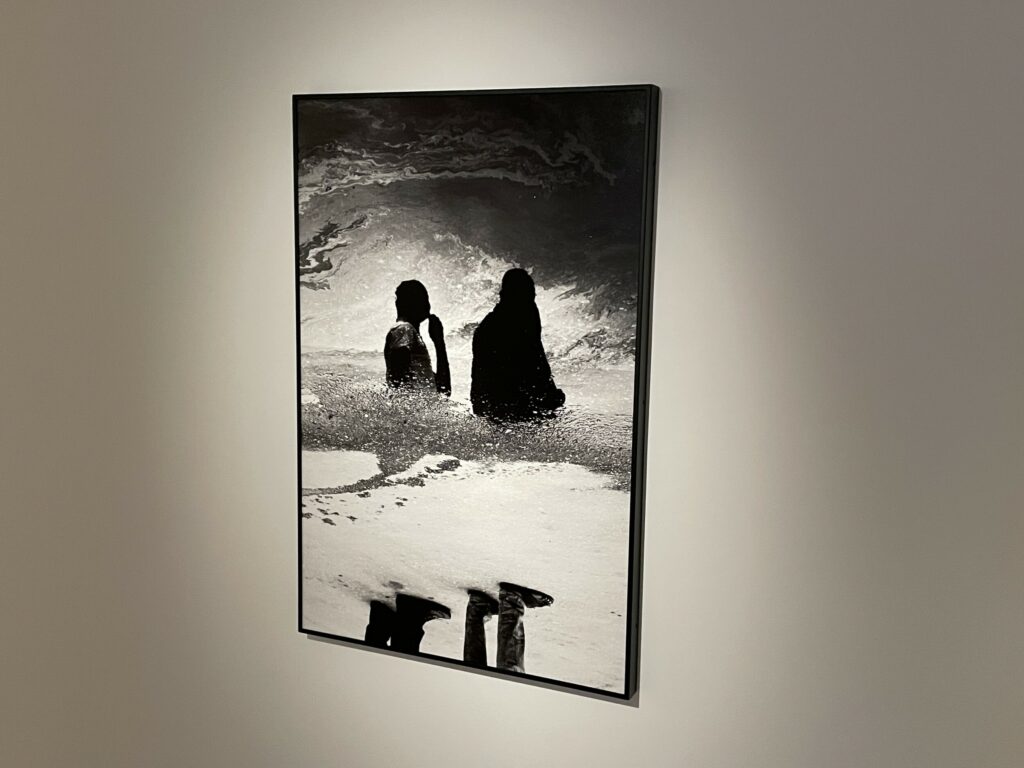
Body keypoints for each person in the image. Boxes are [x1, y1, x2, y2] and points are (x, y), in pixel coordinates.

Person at [470, 269, 565, 420]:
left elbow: (537, 356)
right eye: (526, 296)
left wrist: (550, 392)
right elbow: (482, 380)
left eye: (532, 296)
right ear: (506, 296)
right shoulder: (489, 330)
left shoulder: (529, 310)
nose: (531, 300)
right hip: (499, 400)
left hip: (517, 393)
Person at [384, 280, 451, 396]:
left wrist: (439, 342)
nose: (428, 306)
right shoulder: (404, 329)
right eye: (424, 300)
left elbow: (444, 390)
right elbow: (398, 367)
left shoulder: (409, 334)